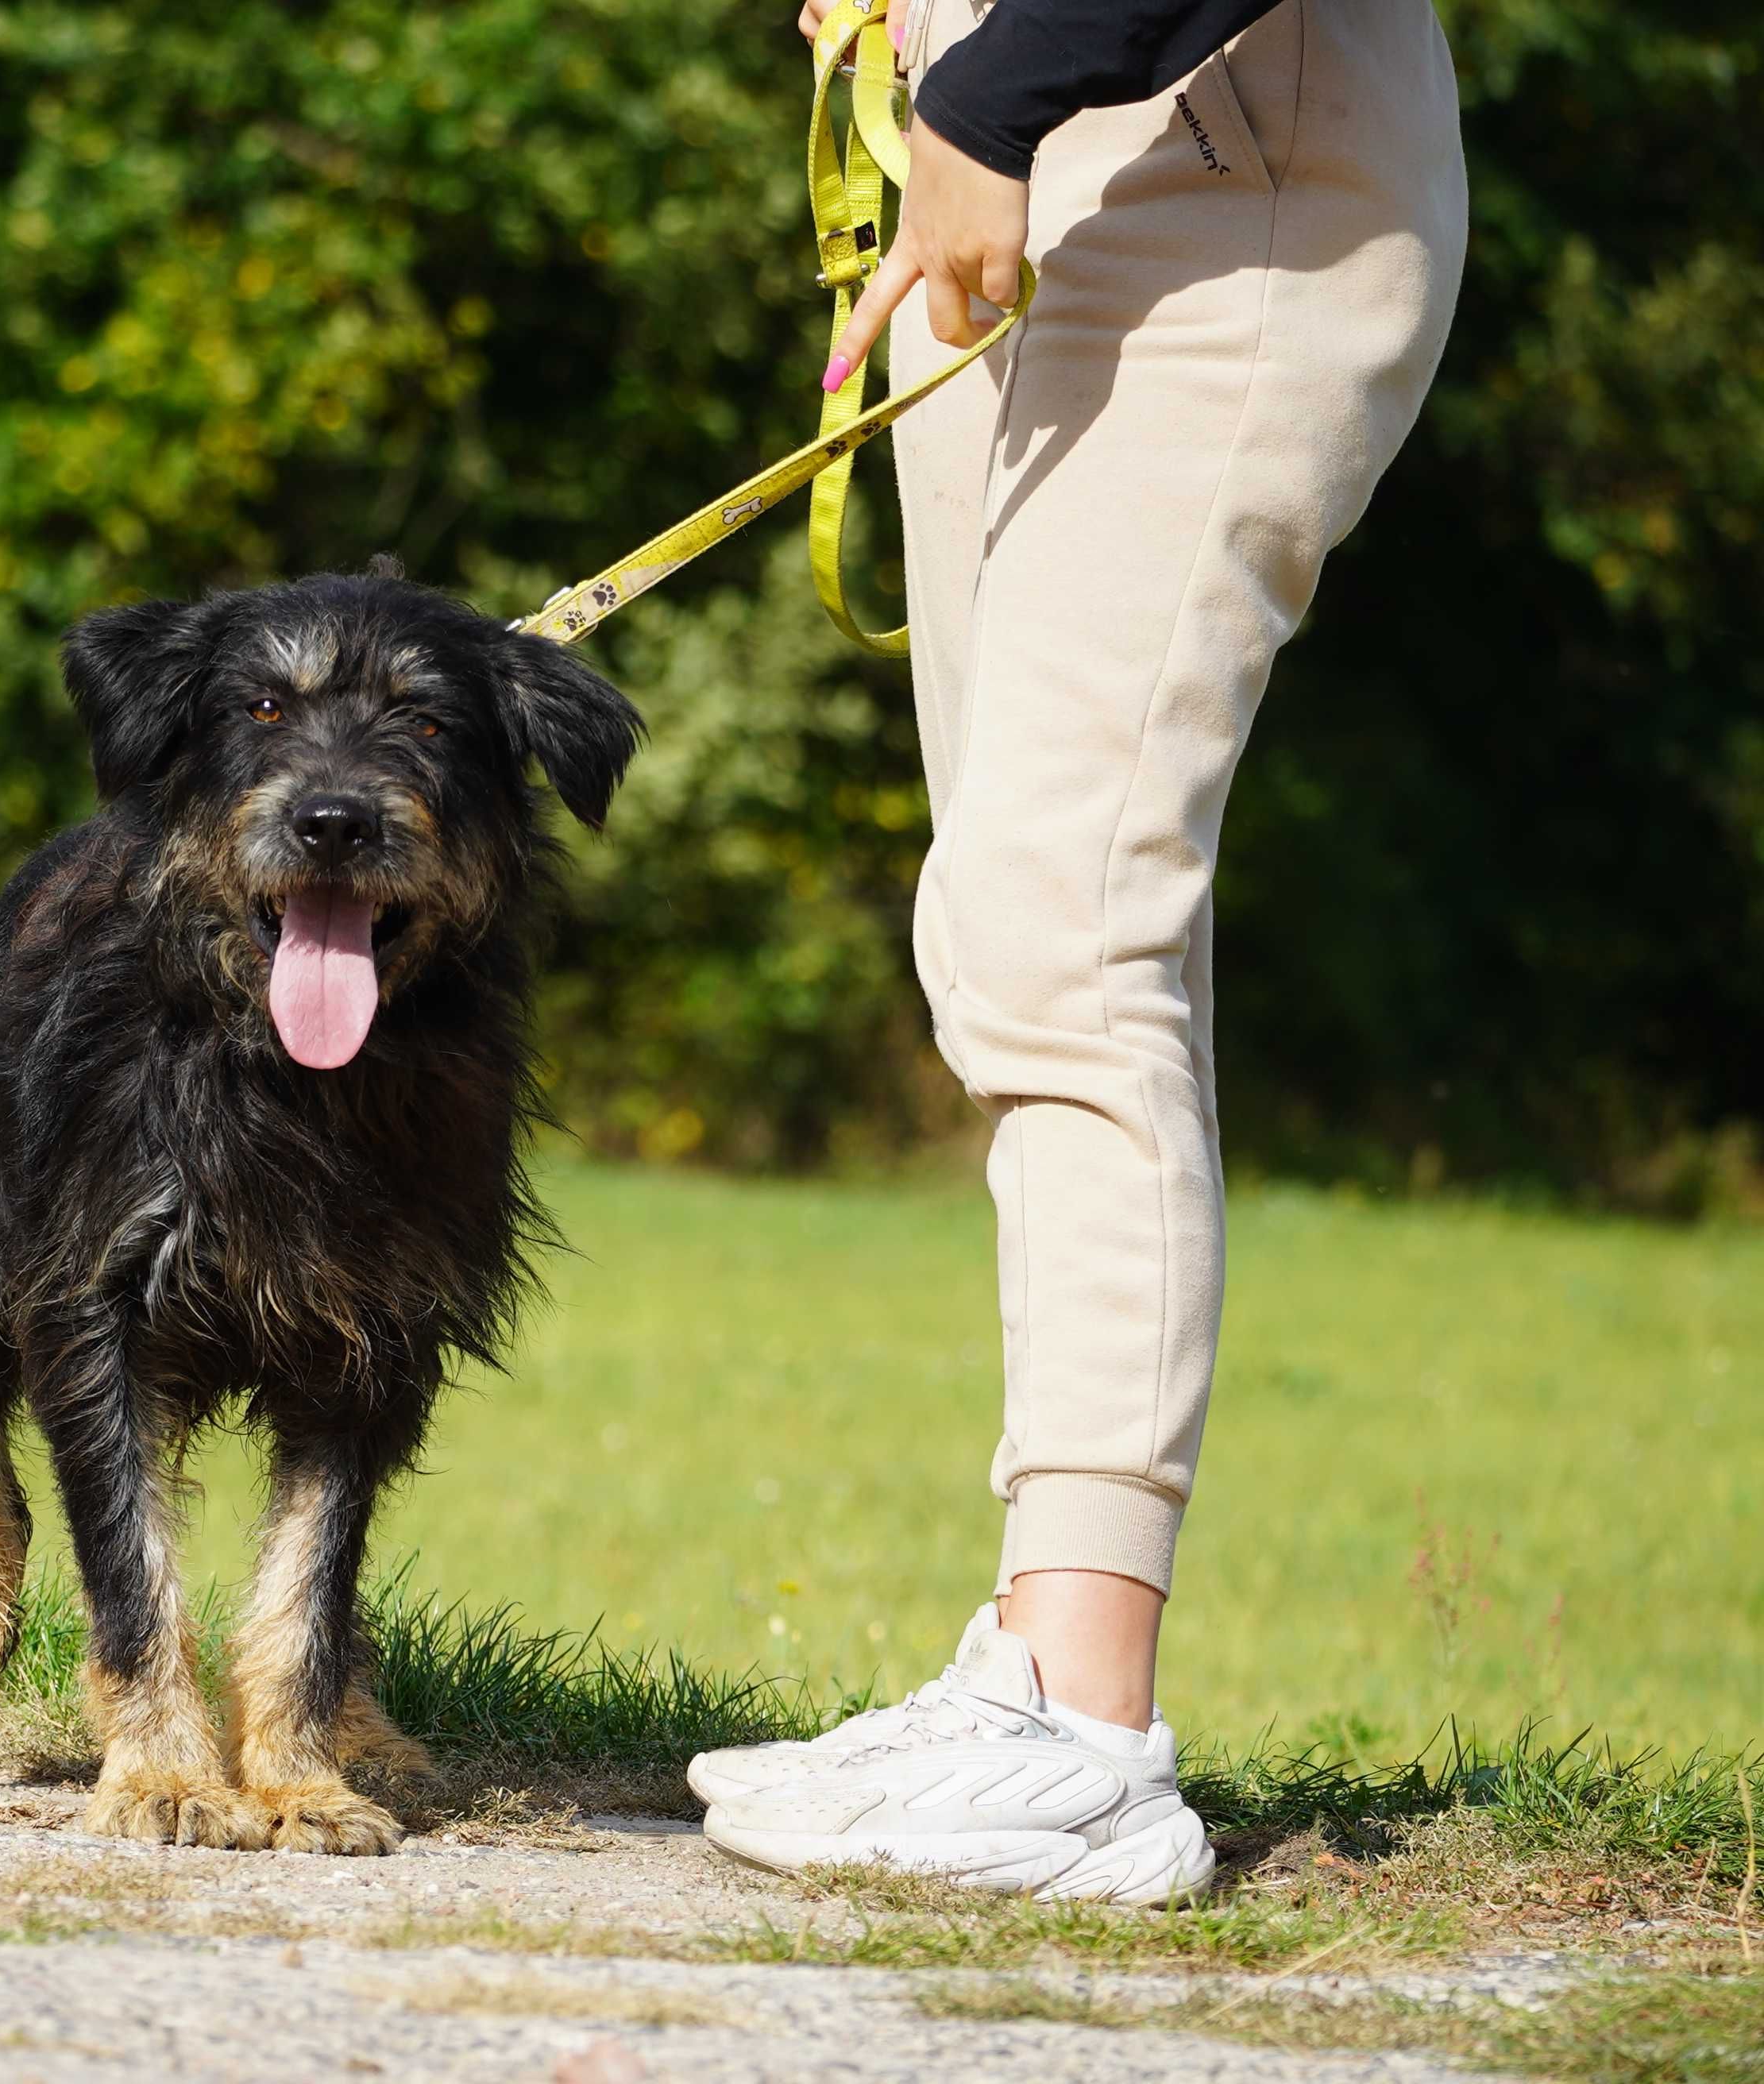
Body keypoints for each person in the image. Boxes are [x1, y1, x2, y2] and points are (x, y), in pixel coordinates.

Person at [688, 0, 1466, 1902]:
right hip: (1026, 136)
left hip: (1200, 139)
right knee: (1018, 930)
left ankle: (1084, 1731)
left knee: (1065, 920)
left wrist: (998, 79)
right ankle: (1034, 1679)